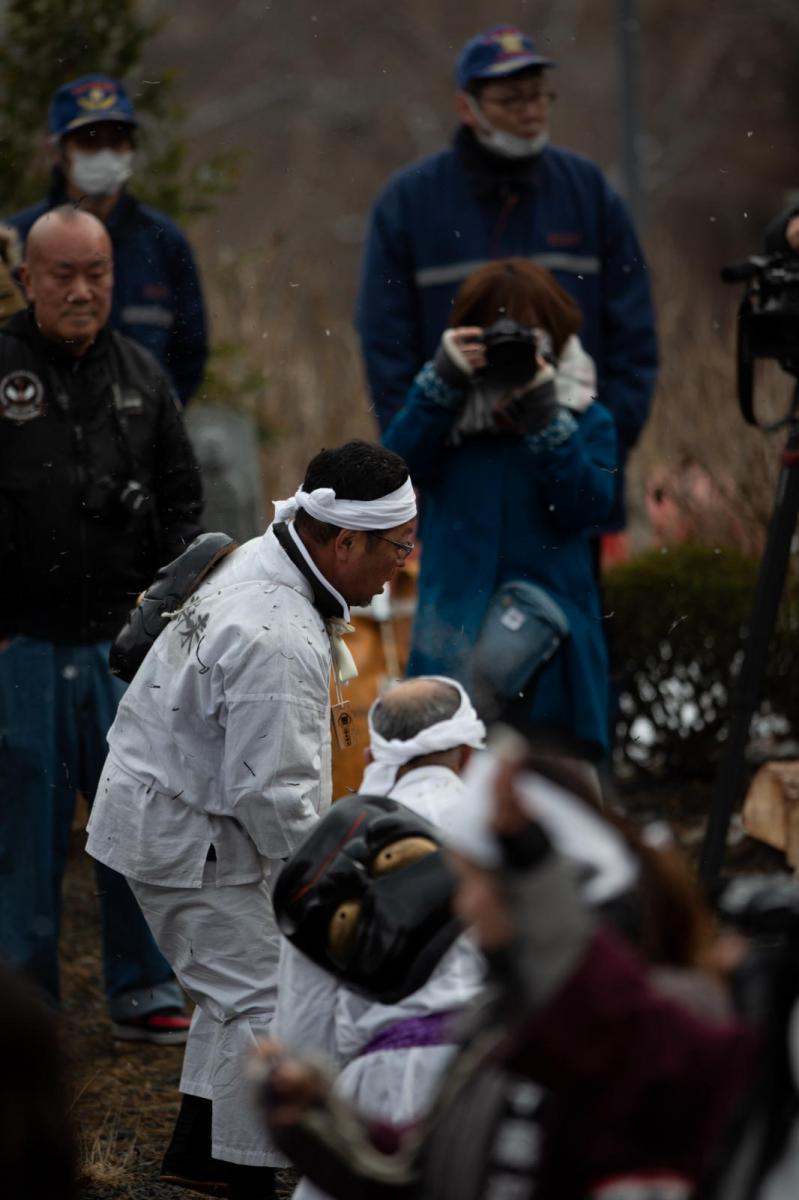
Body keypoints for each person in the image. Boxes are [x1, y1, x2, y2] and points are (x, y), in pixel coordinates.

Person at [86, 440, 417, 1198]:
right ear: (344, 541)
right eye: (397, 546)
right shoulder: (278, 636)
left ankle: (205, 1157)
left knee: (238, 987)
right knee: (270, 999)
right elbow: (275, 800)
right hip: (182, 836)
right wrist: (331, 891)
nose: (401, 565)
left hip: (177, 810)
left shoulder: (266, 560)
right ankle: (246, 1175)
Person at [259, 744, 758, 1200]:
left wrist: (539, 884)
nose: (465, 903)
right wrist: (320, 1124)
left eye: (477, 881)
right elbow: (434, 1176)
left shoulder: (673, 1016)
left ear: (537, 885)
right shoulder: (496, 1030)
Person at [0, 207, 203, 1036]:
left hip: (123, 645)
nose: (82, 291)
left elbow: (184, 502)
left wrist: (166, 614)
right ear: (27, 279)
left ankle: (144, 991)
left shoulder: (142, 377)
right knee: (23, 830)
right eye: (64, 275)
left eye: (97, 273)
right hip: (19, 643)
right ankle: (24, 1010)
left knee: (136, 820)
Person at [356, 23, 657, 527]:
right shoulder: (410, 203)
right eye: (510, 98)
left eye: (538, 95)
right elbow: (385, 342)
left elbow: (634, 332)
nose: (530, 110)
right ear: (466, 107)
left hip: (570, 476)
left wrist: (603, 440)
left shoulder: (587, 192)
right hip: (456, 483)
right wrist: (418, 444)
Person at [383, 258, 617, 761]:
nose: (510, 349)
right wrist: (439, 386)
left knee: (553, 801)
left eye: (526, 335)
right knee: (444, 789)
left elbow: (589, 506)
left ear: (556, 338)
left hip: (552, 660)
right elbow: (392, 474)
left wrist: (546, 421)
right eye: (494, 333)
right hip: (452, 647)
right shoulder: (447, 419)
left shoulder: (585, 417)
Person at [274, 676, 487, 1200]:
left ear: (374, 755)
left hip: (382, 1087)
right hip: (491, 1083)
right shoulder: (509, 833)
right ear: (468, 752)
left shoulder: (341, 845)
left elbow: (304, 1016)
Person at [6, 73, 208, 406]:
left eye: (116, 141)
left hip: (144, 427)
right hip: (43, 423)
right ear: (57, 151)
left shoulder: (164, 241)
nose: (104, 153)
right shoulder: (15, 241)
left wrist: (153, 415)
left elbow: (190, 351)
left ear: (131, 148)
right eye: (88, 141)